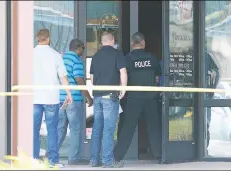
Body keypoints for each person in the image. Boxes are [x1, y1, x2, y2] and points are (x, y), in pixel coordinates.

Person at [113, 32, 161, 164]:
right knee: (154, 127)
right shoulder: (152, 58)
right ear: (144, 43)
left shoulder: (127, 59)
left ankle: (116, 157)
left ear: (132, 44)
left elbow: (123, 78)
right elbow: (157, 78)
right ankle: (159, 155)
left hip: (134, 98)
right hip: (150, 97)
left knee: (127, 128)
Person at [33, 28, 72, 168]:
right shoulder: (56, 55)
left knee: (34, 130)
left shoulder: (30, 54)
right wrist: (69, 93)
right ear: (48, 38)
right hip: (51, 98)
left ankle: (34, 160)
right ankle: (53, 161)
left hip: (34, 97)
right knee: (52, 130)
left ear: (38, 38)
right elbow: (63, 77)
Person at [89, 31, 127, 168]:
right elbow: (123, 72)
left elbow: (92, 77)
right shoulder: (117, 54)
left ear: (102, 42)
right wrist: (123, 88)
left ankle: (94, 160)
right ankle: (107, 161)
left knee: (97, 128)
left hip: (98, 95)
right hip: (110, 96)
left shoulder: (95, 56)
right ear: (112, 41)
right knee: (108, 129)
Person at [57, 39, 93, 165]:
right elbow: (79, 80)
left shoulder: (61, 59)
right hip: (74, 100)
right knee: (76, 129)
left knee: (60, 129)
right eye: (83, 48)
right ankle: (74, 158)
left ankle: (51, 156)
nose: (83, 51)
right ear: (78, 48)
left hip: (61, 99)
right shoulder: (76, 61)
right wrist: (88, 97)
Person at [205, 51, 219, 155]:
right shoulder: (187, 55)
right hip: (193, 98)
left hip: (206, 97)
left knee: (206, 123)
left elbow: (216, 72)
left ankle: (204, 150)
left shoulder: (206, 56)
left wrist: (211, 90)